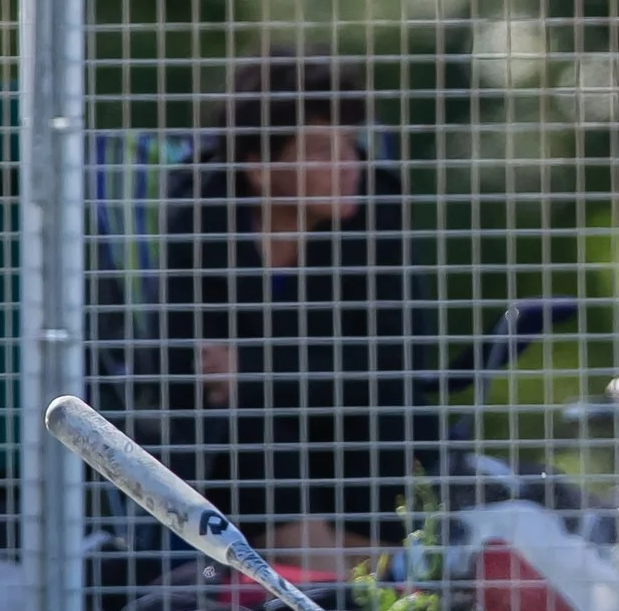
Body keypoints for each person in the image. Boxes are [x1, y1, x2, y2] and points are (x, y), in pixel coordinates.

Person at [159, 50, 442, 578]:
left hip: (354, 418)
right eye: (318, 150)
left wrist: (257, 370)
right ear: (260, 167)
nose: (347, 166)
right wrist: (282, 372)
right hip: (242, 438)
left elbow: (400, 354)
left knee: (392, 411)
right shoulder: (198, 211)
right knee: (259, 428)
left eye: (349, 146)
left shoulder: (379, 208)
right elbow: (188, 367)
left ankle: (362, 605)